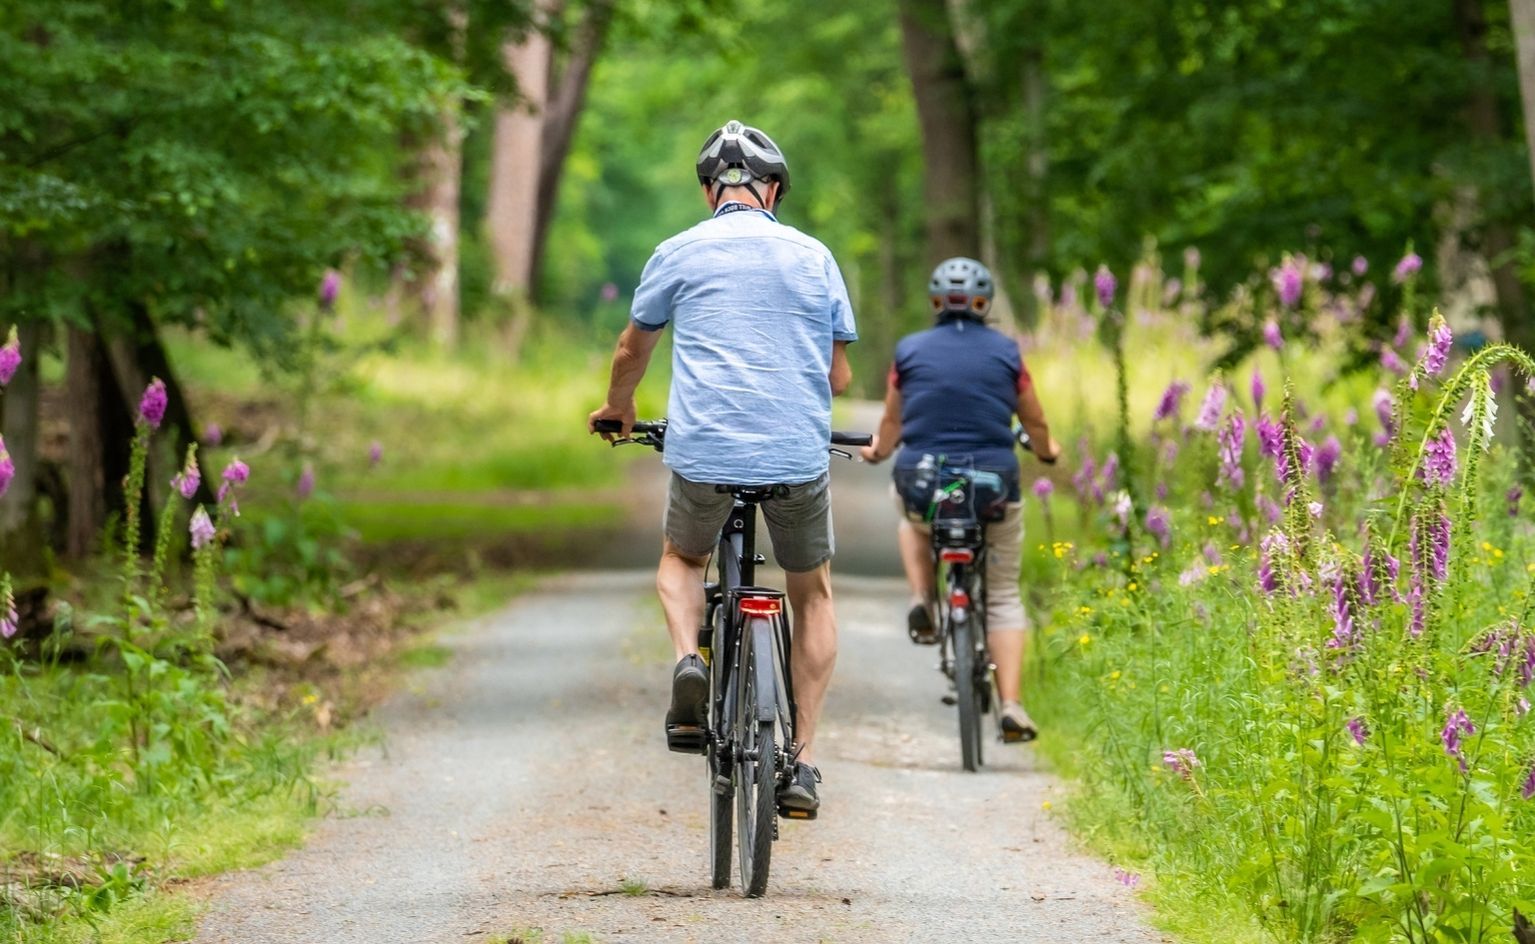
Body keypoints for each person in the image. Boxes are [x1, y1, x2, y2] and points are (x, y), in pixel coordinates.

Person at [588, 120, 857, 814]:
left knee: (682, 559)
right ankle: (801, 764)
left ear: (711, 191)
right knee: (813, 591)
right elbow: (839, 373)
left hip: (704, 450)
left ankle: (688, 660)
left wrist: (620, 408)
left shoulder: (677, 250)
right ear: (773, 190)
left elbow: (630, 349)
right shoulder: (813, 256)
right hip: (796, 453)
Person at [859, 257, 1059, 742]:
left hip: (924, 482)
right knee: (1005, 594)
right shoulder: (1008, 353)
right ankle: (1011, 704)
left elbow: (892, 423)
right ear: (984, 302)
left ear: (934, 302)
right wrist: (1049, 451)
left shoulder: (908, 351)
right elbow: (1034, 422)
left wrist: (879, 451)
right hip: (992, 486)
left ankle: (923, 597)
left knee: (910, 516)